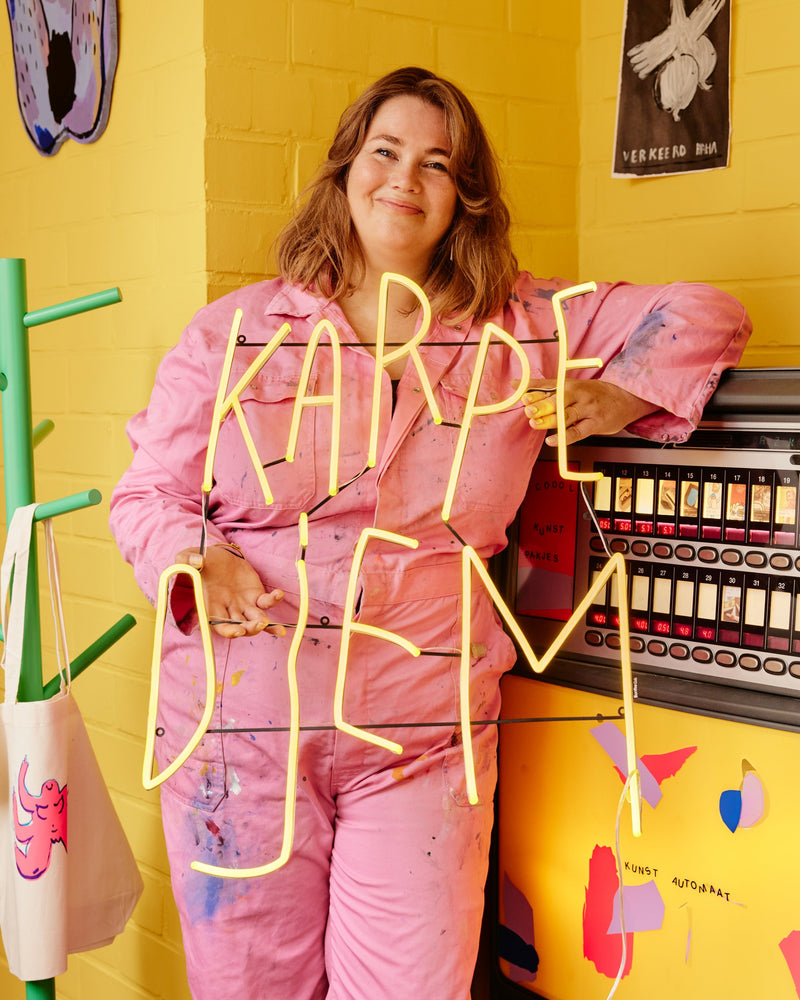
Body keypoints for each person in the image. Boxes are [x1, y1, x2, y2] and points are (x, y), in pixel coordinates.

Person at [109, 66, 751, 1000]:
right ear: (346, 170)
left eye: (437, 163)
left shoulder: (523, 327)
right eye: (385, 151)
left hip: (420, 739)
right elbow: (146, 494)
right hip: (241, 731)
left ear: (464, 198)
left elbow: (708, 313)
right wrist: (193, 559)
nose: (405, 179)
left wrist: (622, 392)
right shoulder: (233, 335)